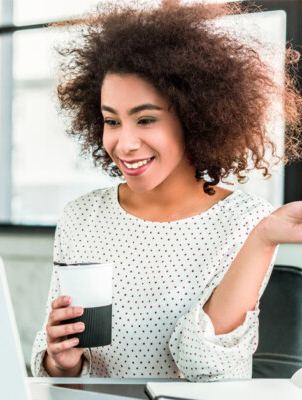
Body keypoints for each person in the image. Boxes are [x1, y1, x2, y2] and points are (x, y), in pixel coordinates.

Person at [30, 0, 302, 381]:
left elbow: (208, 370)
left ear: (195, 117)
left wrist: (263, 239)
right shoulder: (81, 217)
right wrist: (61, 361)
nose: (124, 144)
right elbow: (58, 367)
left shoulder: (247, 223)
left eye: (145, 119)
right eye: (112, 121)